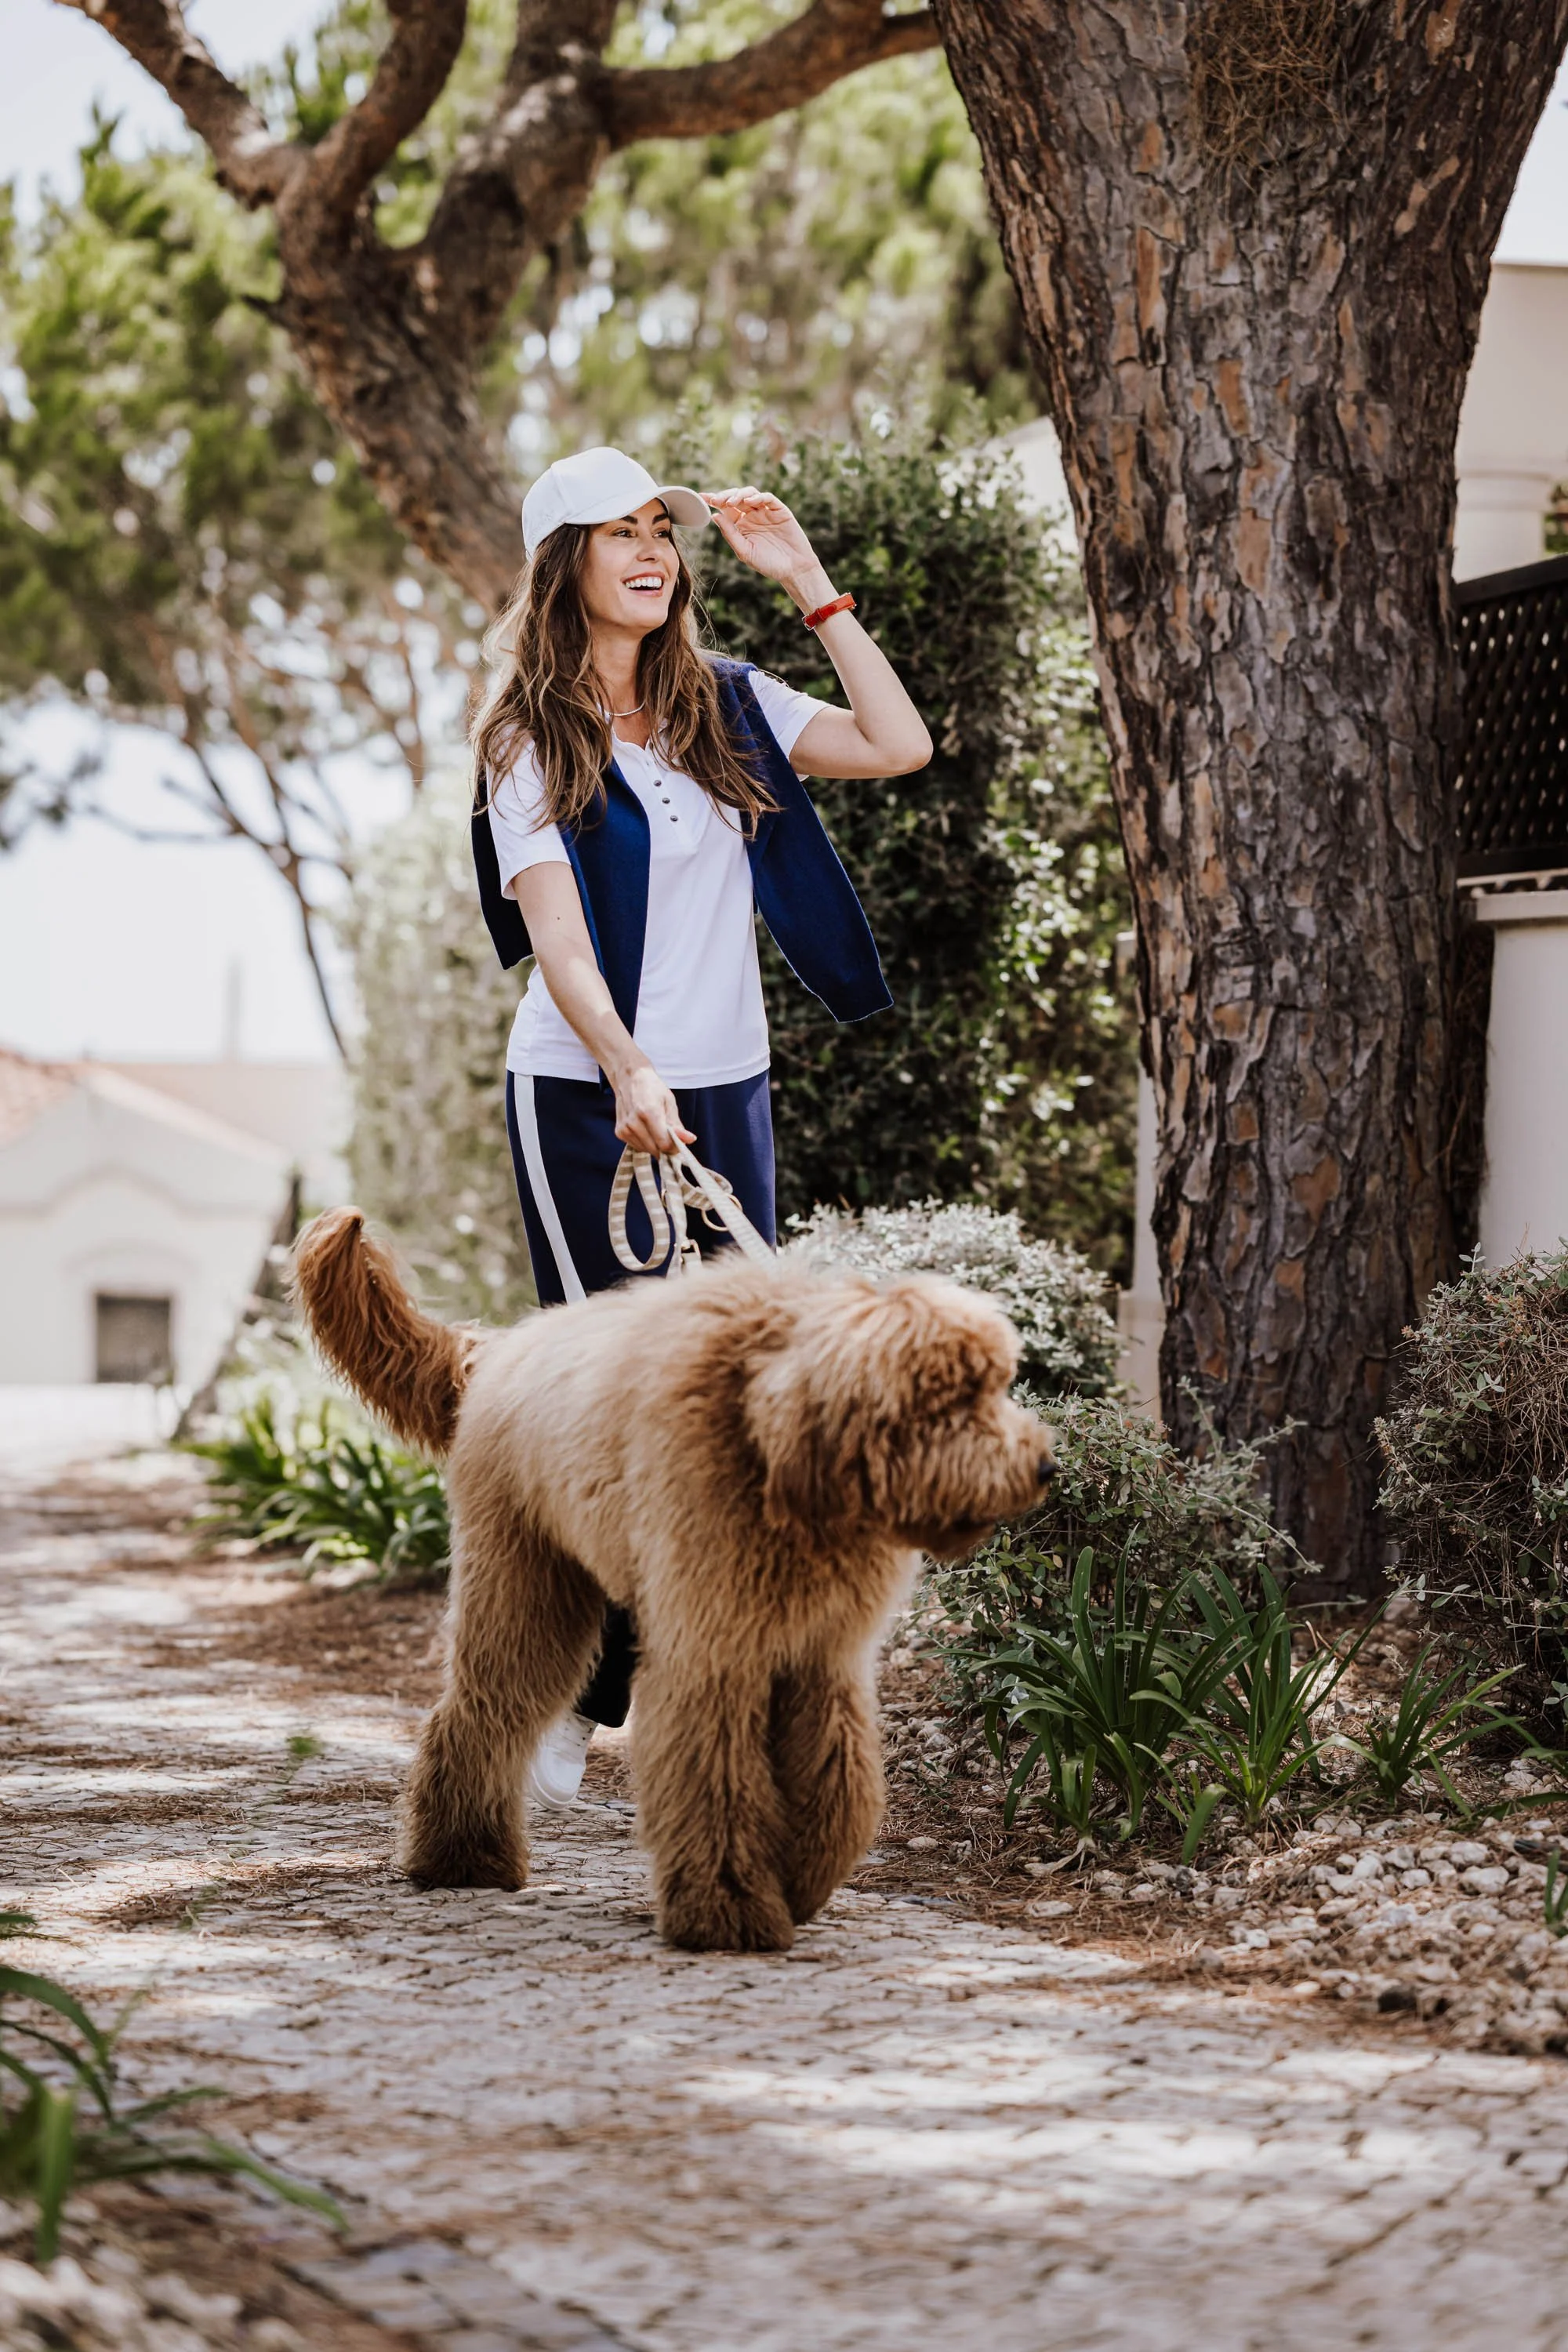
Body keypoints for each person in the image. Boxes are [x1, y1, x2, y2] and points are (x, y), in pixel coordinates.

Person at [469, 444, 931, 1805]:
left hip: (727, 1088)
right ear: (566, 565)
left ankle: (717, 1698)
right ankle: (564, 1694)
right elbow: (556, 938)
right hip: (582, 1091)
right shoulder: (524, 737)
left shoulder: (726, 704)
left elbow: (897, 746)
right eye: (616, 533)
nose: (651, 549)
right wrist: (624, 1070)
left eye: (658, 529)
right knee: (611, 1406)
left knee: (731, 1405)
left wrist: (809, 584)